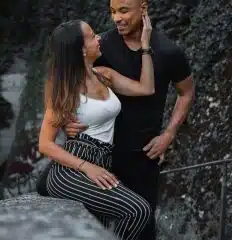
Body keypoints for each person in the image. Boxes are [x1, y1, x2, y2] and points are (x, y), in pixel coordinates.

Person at [37, 0, 195, 239]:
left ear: (143, 9)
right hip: (95, 157)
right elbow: (65, 76)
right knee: (104, 223)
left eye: (124, 10)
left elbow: (178, 91)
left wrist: (168, 134)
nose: (116, 19)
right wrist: (65, 119)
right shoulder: (103, 47)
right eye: (112, 11)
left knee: (142, 224)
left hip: (143, 157)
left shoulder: (168, 51)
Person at [39, 17, 156, 240]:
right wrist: (87, 168)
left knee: (98, 231)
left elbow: (146, 88)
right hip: (73, 168)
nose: (99, 38)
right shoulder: (65, 89)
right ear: (81, 50)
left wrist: (145, 45)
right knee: (138, 210)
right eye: (92, 36)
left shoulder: (103, 75)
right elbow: (45, 144)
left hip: (103, 161)